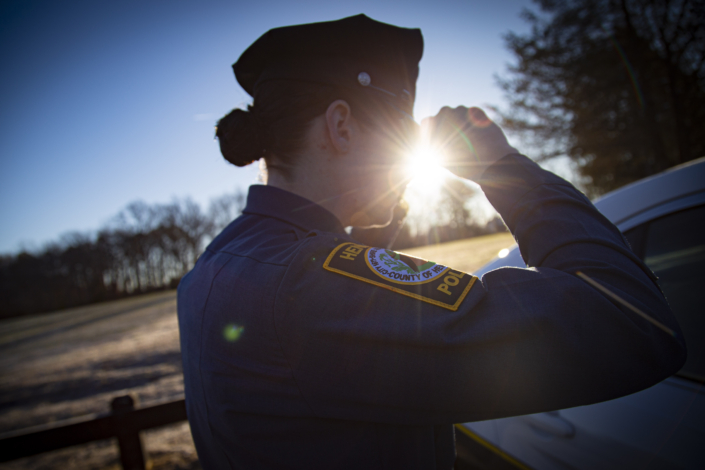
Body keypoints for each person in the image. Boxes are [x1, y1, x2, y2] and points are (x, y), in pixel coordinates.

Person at [177, 14, 685, 470]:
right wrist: (499, 166)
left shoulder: (222, 261)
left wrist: (375, 216)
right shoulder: (307, 284)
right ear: (341, 126)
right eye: (398, 129)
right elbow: (632, 323)